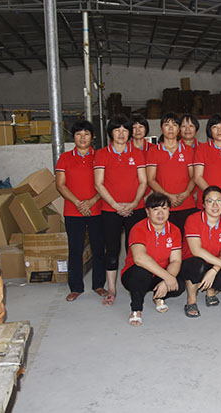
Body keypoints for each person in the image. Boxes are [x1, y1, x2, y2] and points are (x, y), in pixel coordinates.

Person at [94, 114, 147, 306]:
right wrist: (116, 205)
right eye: (117, 130)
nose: (122, 134)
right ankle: (112, 289)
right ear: (111, 133)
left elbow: (143, 181)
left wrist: (133, 203)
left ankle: (134, 285)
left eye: (125, 130)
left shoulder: (137, 153)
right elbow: (99, 184)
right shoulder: (102, 154)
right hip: (110, 210)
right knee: (112, 249)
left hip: (136, 208)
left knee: (135, 248)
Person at [56, 120, 105, 302]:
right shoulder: (65, 158)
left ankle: (99, 284)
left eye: (86, 134)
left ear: (92, 137)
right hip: (72, 211)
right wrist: (78, 203)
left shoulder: (100, 156)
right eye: (78, 134)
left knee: (98, 248)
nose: (82, 137)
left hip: (97, 209)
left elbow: (106, 183)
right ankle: (76, 287)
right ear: (73, 137)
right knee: (75, 249)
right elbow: (60, 185)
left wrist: (91, 202)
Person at [121, 192, 185, 326]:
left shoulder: (174, 230)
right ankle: (136, 309)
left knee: (179, 285)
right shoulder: (138, 228)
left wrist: (166, 281)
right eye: (155, 209)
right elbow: (139, 258)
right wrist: (167, 278)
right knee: (141, 273)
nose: (160, 213)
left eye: (164, 208)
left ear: (169, 211)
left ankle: (159, 296)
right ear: (147, 212)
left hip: (160, 273)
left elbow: (176, 261)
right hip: (136, 273)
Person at [180, 186, 221, 318]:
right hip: (193, 260)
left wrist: (214, 270)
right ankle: (191, 299)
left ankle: (210, 290)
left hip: (214, 262)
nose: (215, 205)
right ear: (203, 204)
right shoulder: (193, 219)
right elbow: (196, 250)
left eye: (219, 201)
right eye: (210, 201)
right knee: (197, 266)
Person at [146, 112, 196, 233]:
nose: (170, 128)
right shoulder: (153, 151)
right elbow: (150, 179)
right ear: (161, 128)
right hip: (163, 206)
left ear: (179, 129)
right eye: (167, 124)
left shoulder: (188, 151)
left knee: (186, 239)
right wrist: (167, 196)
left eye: (174, 125)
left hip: (187, 203)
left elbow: (194, 176)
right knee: (166, 239)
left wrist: (186, 193)